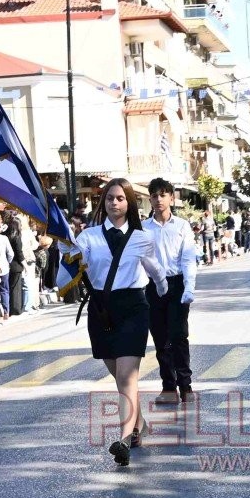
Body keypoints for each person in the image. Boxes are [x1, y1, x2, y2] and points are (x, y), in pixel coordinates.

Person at [75, 178, 168, 466]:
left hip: (133, 308)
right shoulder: (87, 237)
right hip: (102, 311)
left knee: (128, 376)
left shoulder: (142, 238)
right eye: (109, 199)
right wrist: (67, 261)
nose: (114, 203)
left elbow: (156, 272)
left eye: (120, 198)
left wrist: (166, 295)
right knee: (120, 377)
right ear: (103, 204)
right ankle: (139, 424)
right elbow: (69, 274)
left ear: (129, 202)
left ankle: (124, 438)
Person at [143, 178, 199, 407]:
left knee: (178, 336)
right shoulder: (144, 228)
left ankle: (185, 385)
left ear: (171, 198)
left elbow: (188, 259)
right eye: (154, 196)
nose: (158, 199)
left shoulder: (182, 226)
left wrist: (189, 287)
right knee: (160, 338)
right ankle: (168, 386)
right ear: (150, 199)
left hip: (176, 285)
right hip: (153, 287)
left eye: (163, 195)